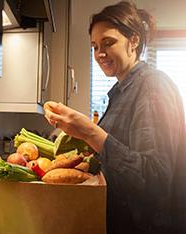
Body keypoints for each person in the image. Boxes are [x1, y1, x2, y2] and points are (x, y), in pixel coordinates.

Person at [44, 1, 186, 234]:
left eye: (108, 43)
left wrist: (89, 132)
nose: (100, 54)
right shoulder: (122, 91)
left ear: (134, 41)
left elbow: (155, 180)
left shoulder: (152, 87)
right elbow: (119, 154)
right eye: (95, 46)